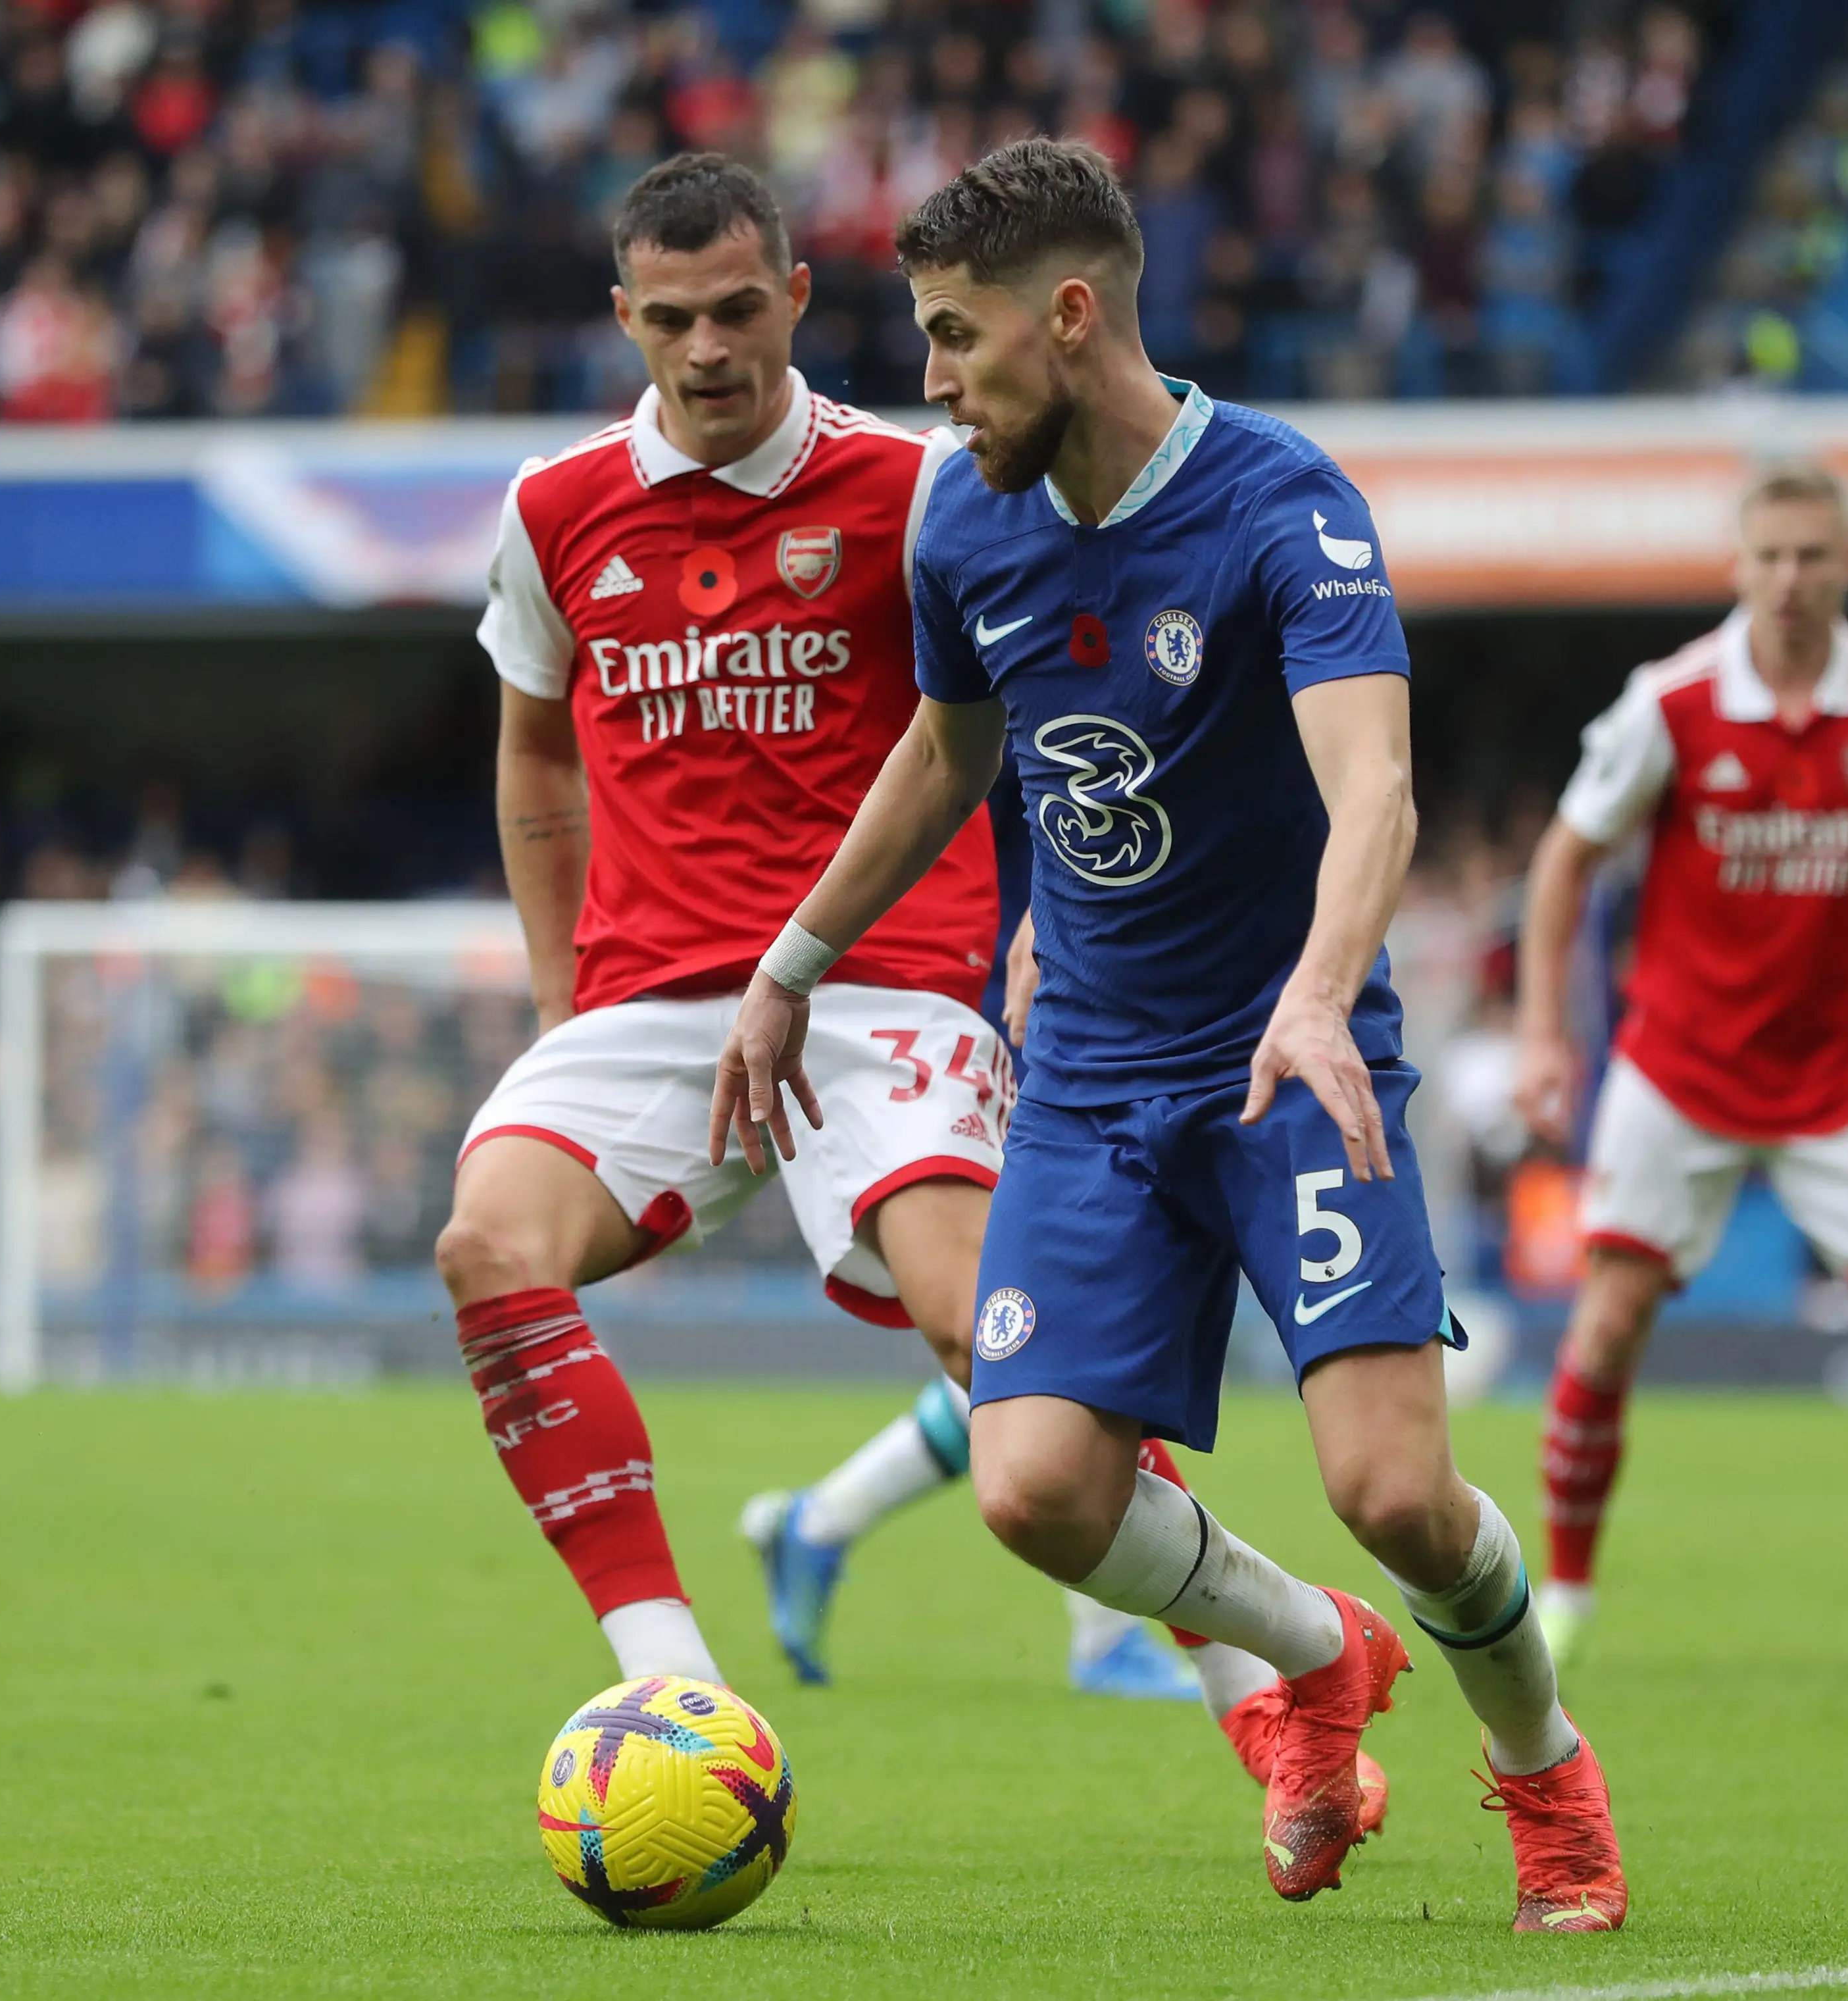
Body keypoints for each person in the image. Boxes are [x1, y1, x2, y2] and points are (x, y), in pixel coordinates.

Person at [713, 138, 1623, 1927]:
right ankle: (1314, 1658)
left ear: (1071, 316)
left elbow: (1376, 792)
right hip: (1090, 1073)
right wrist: (794, 957)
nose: (932, 379)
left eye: (957, 335)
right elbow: (948, 753)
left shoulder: (1285, 505)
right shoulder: (961, 518)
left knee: (1398, 1492)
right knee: (1033, 1488)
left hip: (1294, 1055)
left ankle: (1547, 1777)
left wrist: (1318, 990)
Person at [440, 152, 1295, 1763]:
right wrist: (562, 999)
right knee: (488, 1243)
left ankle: (1262, 1679)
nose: (708, 349)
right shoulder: (553, 509)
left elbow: (1044, 715)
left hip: (883, 983)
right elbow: (536, 751)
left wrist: (1049, 918)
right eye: (672, 319)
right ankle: (674, 1688)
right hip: (653, 999)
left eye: (737, 309)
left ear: (796, 297)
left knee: (994, 1337)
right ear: (623, 317)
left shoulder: (917, 488)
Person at [1512, 465, 1848, 1676]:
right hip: (1679, 1068)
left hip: (1843, 1077)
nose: (1791, 579)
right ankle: (1567, 1593)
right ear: (1739, 568)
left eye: (1813, 555)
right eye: (1771, 556)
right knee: (1604, 1332)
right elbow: (1563, 862)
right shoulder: (1672, 702)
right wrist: (1542, 1032)